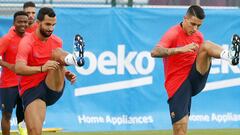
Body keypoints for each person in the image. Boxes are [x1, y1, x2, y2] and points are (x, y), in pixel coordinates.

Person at [151, 5, 240, 135]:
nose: (195, 29)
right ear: (185, 19)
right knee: (181, 129)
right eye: (193, 24)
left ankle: (231, 56)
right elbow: (155, 52)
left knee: (206, 46)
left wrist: (210, 57)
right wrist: (180, 49)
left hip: (195, 78)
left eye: (199, 25)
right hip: (178, 84)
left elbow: (202, 55)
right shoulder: (173, 33)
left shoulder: (199, 36)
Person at [15, 7, 84, 135]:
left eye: (53, 25)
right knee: (35, 132)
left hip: (51, 87)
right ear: (38, 22)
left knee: (57, 52)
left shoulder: (57, 41)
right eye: (47, 24)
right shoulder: (27, 42)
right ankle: (72, 59)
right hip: (31, 91)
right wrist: (41, 68)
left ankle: (73, 59)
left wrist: (65, 73)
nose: (51, 28)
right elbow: (18, 68)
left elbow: (57, 62)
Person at [0, 11, 28, 135]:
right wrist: (10, 66)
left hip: (25, 84)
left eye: (25, 22)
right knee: (7, 116)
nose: (23, 24)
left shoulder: (29, 39)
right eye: (20, 22)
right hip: (8, 85)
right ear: (14, 23)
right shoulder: (7, 39)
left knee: (25, 117)